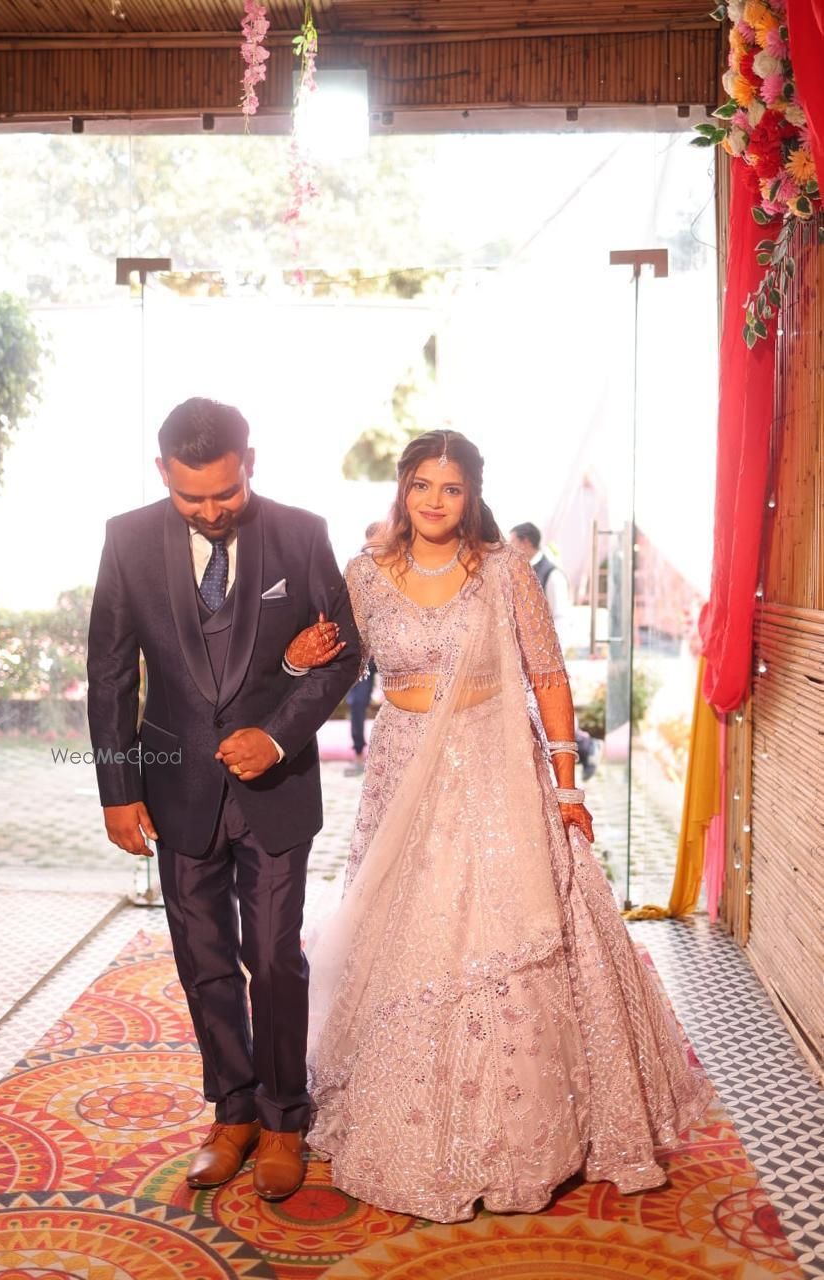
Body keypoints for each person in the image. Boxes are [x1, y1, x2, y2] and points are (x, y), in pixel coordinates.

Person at [299, 430, 710, 1223]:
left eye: (450, 488)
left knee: (499, 927)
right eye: (422, 485)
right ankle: (405, 1118)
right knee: (408, 927)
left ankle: (525, 1138)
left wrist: (566, 785)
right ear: (402, 487)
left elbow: (547, 676)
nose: (433, 501)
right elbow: (340, 668)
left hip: (494, 770)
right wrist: (295, 658)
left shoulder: (502, 571)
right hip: (403, 766)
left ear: (471, 495)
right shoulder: (365, 574)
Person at [87, 397, 359, 1202]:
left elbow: (345, 655)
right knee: (201, 957)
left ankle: (283, 1119)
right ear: (161, 472)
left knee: (271, 956)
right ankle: (232, 1112)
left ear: (251, 463)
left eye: (225, 493)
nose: (210, 511)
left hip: (275, 787)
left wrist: (276, 737)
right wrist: (117, 790)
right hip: (175, 785)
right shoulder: (127, 539)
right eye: (190, 497)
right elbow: (111, 673)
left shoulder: (301, 533)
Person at [510, 520, 597, 781]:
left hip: (544, 658)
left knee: (548, 711)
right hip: (523, 656)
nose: (509, 548)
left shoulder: (552, 574)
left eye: (512, 542)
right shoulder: (519, 570)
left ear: (526, 542)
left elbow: (560, 618)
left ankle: (585, 746)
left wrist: (547, 656)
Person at [343, 523, 382, 777]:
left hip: (395, 648)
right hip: (364, 651)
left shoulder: (402, 567)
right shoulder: (355, 568)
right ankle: (359, 754)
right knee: (358, 703)